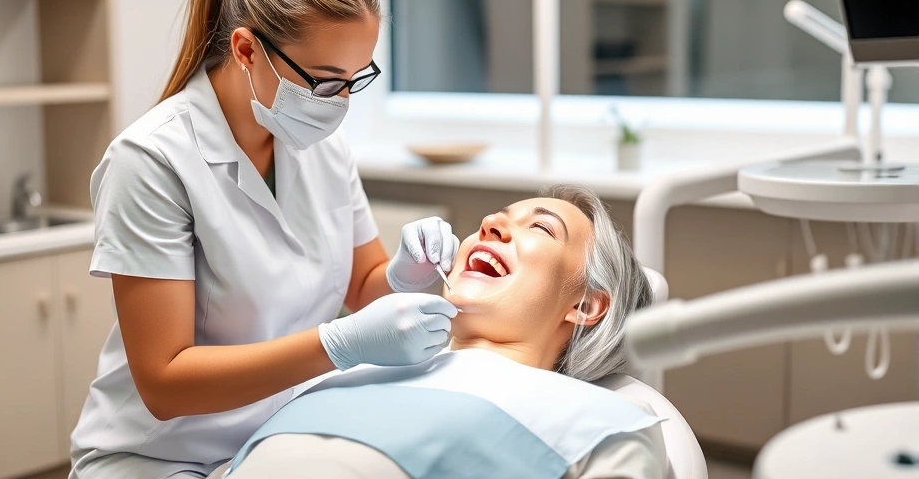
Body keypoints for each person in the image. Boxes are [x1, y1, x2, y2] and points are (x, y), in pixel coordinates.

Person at [70, 0, 461, 478]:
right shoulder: (152, 160)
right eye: (324, 81)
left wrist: (406, 273)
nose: (340, 104)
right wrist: (340, 344)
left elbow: (362, 284)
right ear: (247, 50)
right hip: (161, 456)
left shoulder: (320, 143)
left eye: (355, 80)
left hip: (276, 436)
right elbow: (165, 382)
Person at [216, 184, 666, 479]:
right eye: (498, 216)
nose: (490, 224)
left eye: (541, 227)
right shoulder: (350, 368)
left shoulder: (600, 422)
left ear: (585, 305)